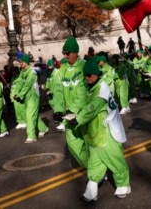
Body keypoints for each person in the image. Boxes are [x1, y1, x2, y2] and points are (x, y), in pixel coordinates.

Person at [69, 57, 130, 201]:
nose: (87, 78)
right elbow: (82, 103)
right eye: (85, 75)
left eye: (89, 75)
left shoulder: (102, 89)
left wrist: (76, 119)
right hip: (94, 133)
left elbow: (92, 108)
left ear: (96, 74)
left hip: (107, 132)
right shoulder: (90, 88)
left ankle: (123, 184)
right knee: (94, 163)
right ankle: (92, 189)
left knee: (114, 159)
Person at [53, 37, 88, 167]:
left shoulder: (84, 67)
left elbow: (83, 91)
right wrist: (58, 110)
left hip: (83, 113)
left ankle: (97, 172)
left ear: (75, 52)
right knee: (73, 143)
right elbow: (58, 91)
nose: (65, 56)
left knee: (89, 142)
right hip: (69, 114)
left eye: (68, 53)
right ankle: (90, 168)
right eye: (64, 53)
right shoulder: (62, 69)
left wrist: (74, 109)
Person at [12, 54, 48, 143]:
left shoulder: (31, 73)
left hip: (33, 97)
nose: (20, 63)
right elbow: (20, 82)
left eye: (21, 62)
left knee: (30, 115)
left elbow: (27, 85)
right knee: (33, 115)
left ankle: (31, 136)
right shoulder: (23, 71)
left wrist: (20, 95)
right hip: (27, 97)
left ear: (26, 62)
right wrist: (16, 93)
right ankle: (43, 128)